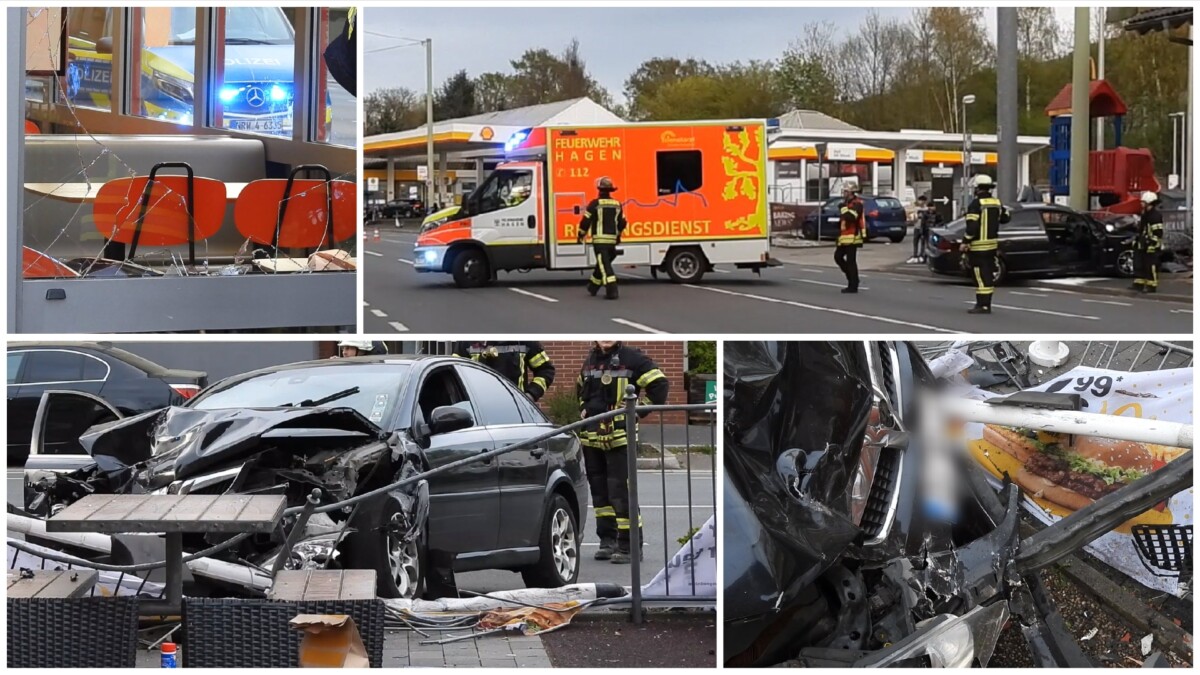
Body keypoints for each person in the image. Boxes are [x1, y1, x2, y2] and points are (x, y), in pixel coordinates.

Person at [576, 341, 669, 563]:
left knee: (621, 491)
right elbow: (581, 388)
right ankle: (607, 541)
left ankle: (629, 546)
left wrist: (636, 411)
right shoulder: (590, 361)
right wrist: (583, 407)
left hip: (619, 437)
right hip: (591, 436)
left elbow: (659, 385)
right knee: (600, 493)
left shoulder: (633, 358)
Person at [960, 175, 1010, 314]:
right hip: (992, 245)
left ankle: (982, 305)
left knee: (979, 276)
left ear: (977, 188)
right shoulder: (996, 203)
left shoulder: (976, 204)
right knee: (987, 274)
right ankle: (986, 304)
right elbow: (1006, 218)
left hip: (978, 246)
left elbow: (972, 227)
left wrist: (965, 241)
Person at [452, 341, 555, 401]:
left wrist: (530, 395)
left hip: (515, 408)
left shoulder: (524, 340)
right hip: (478, 410)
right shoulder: (467, 341)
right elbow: (454, 372)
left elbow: (546, 370)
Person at [577, 177, 627, 300]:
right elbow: (623, 222)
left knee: (604, 266)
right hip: (612, 241)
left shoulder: (595, 204)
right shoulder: (617, 204)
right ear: (611, 190)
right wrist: (618, 235)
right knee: (603, 263)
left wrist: (581, 234)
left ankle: (612, 290)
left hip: (600, 241)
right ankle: (593, 286)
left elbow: (585, 221)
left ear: (599, 190)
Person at [834, 181, 865, 293]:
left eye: (846, 191)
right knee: (838, 257)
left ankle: (853, 284)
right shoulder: (846, 203)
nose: (844, 193)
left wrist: (843, 209)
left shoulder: (857, 203)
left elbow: (852, 217)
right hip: (844, 236)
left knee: (851, 261)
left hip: (853, 236)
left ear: (851, 192)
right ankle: (852, 277)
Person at [1131, 191, 1165, 293]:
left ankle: (1151, 286)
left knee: (1150, 266)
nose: (1141, 204)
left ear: (1149, 203)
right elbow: (1142, 229)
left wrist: (1152, 243)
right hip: (1143, 243)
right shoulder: (1145, 214)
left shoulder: (1155, 216)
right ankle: (1139, 284)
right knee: (1139, 263)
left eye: (1143, 202)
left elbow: (1158, 232)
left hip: (1151, 245)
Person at [908, 194, 938, 264]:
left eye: (922, 201)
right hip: (916, 227)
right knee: (915, 242)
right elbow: (913, 217)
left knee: (923, 242)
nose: (920, 202)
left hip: (924, 228)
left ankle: (922, 255)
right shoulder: (916, 209)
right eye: (919, 201)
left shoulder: (926, 209)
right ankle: (915, 255)